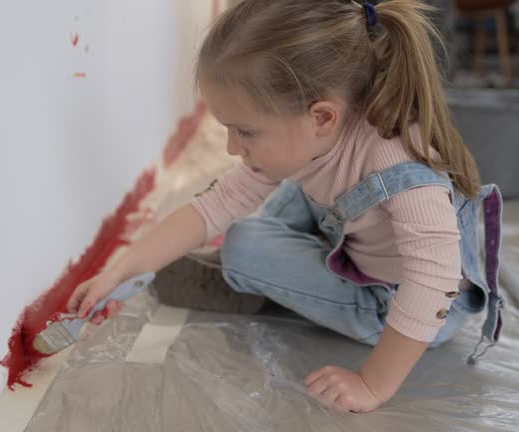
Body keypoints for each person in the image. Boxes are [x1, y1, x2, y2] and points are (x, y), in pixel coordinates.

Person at [67, 0, 505, 413]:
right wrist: (119, 270)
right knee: (292, 185)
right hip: (352, 236)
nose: (231, 147)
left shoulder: (400, 169)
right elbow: (215, 204)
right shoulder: (316, 132)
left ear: (320, 117)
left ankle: (251, 280)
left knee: (244, 243)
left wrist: (373, 383)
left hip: (396, 304)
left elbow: (434, 282)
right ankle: (274, 270)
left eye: (244, 131)